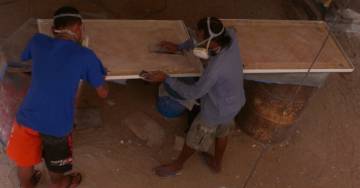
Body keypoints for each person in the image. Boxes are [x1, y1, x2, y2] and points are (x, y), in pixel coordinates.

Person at [6, 6, 108, 188]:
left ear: (53, 30)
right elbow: (103, 93)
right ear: (78, 28)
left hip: (27, 118)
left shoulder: (37, 40)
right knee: (57, 178)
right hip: (57, 127)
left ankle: (27, 184)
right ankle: (66, 182)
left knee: (24, 170)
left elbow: (26, 61)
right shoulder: (86, 55)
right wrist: (99, 75)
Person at [143, 17, 246, 177]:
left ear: (210, 41)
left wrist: (167, 78)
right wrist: (180, 47)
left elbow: (193, 93)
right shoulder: (229, 36)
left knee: (195, 138)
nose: (196, 38)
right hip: (235, 102)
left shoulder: (214, 70)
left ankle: (177, 166)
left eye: (198, 35)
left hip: (216, 109)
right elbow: (206, 40)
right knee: (223, 132)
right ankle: (217, 163)